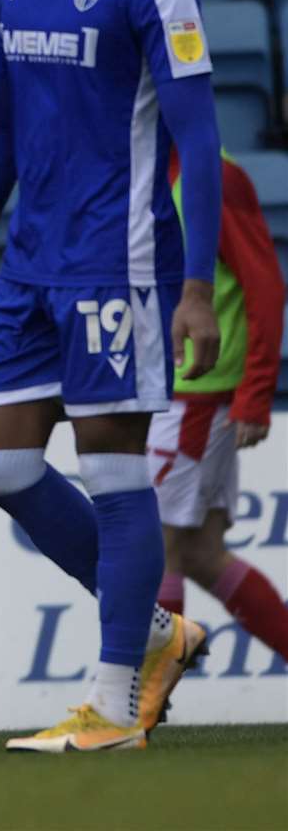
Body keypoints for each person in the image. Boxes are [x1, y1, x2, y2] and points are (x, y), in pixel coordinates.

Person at [0, 0, 221, 753]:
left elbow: (198, 137)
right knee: (1, 466)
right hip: (28, 266)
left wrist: (194, 285)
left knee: (110, 472)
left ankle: (109, 706)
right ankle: (150, 635)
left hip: (119, 261)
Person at [149, 151, 288, 660]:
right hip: (169, 391)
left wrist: (255, 391)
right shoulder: (139, 165)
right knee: (199, 553)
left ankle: (140, 705)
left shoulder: (215, 175)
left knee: (153, 549)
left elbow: (265, 284)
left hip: (194, 395)